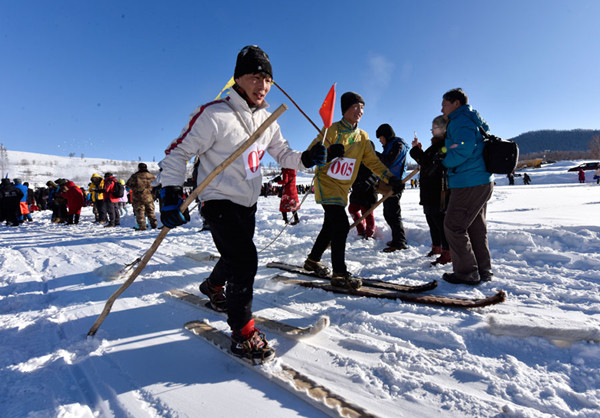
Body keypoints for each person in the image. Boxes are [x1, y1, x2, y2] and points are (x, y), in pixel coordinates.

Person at [157, 45, 320, 362]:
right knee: (245, 258)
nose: (263, 85)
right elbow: (176, 154)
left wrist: (308, 159)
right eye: (256, 77)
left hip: (248, 202)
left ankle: (213, 287)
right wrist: (171, 193)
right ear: (238, 78)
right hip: (216, 200)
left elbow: (284, 154)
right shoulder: (214, 114)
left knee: (234, 255)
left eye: (268, 79)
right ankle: (243, 334)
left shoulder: (268, 119)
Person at [303, 92, 404, 289]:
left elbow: (372, 161)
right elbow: (310, 156)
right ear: (345, 109)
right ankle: (339, 273)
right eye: (355, 107)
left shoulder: (362, 137)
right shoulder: (330, 130)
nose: (360, 111)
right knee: (340, 225)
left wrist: (390, 177)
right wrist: (329, 154)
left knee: (330, 226)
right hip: (326, 183)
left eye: (362, 108)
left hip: (343, 187)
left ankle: (313, 260)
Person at [440, 88, 494, 285]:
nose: (442, 108)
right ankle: (483, 269)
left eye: (444, 104)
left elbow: (463, 146)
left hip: (468, 181)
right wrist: (446, 150)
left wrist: (445, 161)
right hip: (480, 180)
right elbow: (459, 145)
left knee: (453, 226)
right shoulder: (471, 119)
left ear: (456, 103)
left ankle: (466, 272)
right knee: (475, 228)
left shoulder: (460, 120)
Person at [410, 116, 451, 265]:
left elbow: (429, 163)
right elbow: (425, 161)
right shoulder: (435, 145)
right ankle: (437, 247)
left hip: (439, 189)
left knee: (439, 220)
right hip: (429, 189)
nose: (432, 131)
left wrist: (416, 151)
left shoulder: (445, 144)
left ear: (443, 129)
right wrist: (419, 150)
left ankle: (448, 251)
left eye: (434, 128)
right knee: (431, 219)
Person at [375, 123, 410, 252]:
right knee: (388, 213)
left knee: (393, 214)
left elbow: (388, 160)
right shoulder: (389, 145)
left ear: (386, 135)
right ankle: (398, 239)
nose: (380, 141)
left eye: (381, 137)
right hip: (387, 183)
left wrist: (374, 154)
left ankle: (400, 242)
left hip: (395, 184)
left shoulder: (397, 145)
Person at [347, 141, 379, 239]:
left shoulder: (374, 160)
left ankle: (369, 233)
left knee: (367, 212)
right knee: (352, 209)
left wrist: (367, 183)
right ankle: (360, 229)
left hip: (368, 191)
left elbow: (377, 174)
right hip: (357, 191)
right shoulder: (356, 159)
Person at [126, 163, 158, 231]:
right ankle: (154, 225)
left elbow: (128, 185)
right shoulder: (151, 176)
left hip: (138, 197)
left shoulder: (135, 176)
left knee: (140, 211)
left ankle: (142, 226)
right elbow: (156, 185)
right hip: (149, 196)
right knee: (151, 211)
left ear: (139, 168)